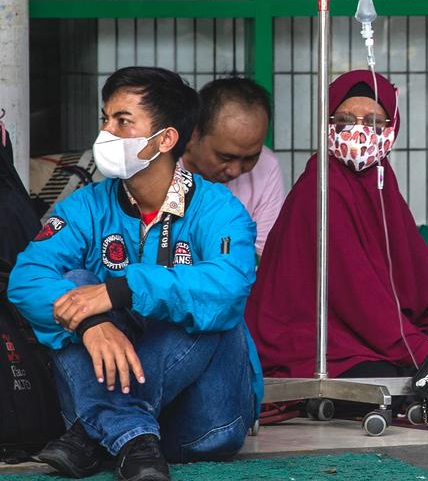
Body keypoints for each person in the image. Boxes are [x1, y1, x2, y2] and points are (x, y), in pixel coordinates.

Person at [8, 67, 261, 481]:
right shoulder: (86, 206)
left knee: (208, 305)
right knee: (72, 286)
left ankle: (106, 428)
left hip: (201, 426)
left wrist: (124, 288)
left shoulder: (218, 209)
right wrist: (92, 323)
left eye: (122, 122)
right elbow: (27, 277)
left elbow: (229, 286)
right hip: (121, 436)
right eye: (105, 119)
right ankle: (131, 434)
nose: (106, 132)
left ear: (165, 139)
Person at [245, 70, 428, 384]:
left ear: (392, 127)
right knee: (400, 376)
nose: (358, 133)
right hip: (312, 343)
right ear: (326, 124)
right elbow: (358, 296)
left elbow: (414, 278)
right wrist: (422, 349)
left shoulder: (382, 184)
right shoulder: (320, 187)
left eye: (373, 122)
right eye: (344, 120)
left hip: (371, 336)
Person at [181, 77, 285, 255]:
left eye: (251, 158)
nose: (236, 170)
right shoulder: (161, 164)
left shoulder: (267, 166)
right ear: (193, 134)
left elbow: (264, 254)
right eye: (225, 157)